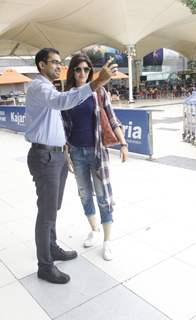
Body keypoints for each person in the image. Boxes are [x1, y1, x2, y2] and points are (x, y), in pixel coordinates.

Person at [25, 48, 118, 284]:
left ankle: (52, 247)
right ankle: (45, 266)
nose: (59, 66)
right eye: (53, 63)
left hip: (57, 156)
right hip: (44, 157)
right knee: (46, 214)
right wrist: (96, 82)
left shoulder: (50, 87)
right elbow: (61, 102)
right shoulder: (40, 87)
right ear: (41, 66)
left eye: (60, 62)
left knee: (52, 209)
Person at [61, 53, 128, 261]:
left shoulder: (99, 92)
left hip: (97, 152)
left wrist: (123, 143)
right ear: (72, 71)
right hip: (76, 152)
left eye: (86, 69)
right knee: (84, 193)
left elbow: (112, 119)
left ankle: (107, 241)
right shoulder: (67, 95)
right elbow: (63, 127)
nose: (82, 73)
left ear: (91, 72)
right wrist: (66, 153)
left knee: (103, 196)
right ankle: (94, 230)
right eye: (78, 69)